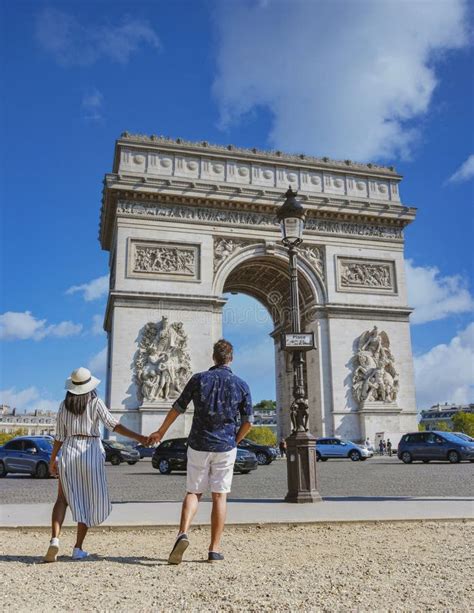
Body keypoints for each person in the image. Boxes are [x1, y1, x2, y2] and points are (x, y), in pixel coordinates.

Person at [148, 339, 253, 564]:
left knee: (193, 492)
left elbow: (178, 407)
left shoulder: (199, 379)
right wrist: (235, 440)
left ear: (213, 357)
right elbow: (248, 422)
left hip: (198, 443)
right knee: (219, 496)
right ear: (231, 358)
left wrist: (160, 431)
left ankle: (182, 533)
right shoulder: (241, 385)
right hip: (225, 446)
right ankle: (214, 549)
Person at [44, 367, 148, 563]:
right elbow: (114, 425)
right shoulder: (96, 403)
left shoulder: (62, 406)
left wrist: (52, 460)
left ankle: (55, 540)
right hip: (90, 451)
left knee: (61, 499)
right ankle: (78, 548)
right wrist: (140, 437)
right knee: (87, 501)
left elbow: (58, 437)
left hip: (69, 450)